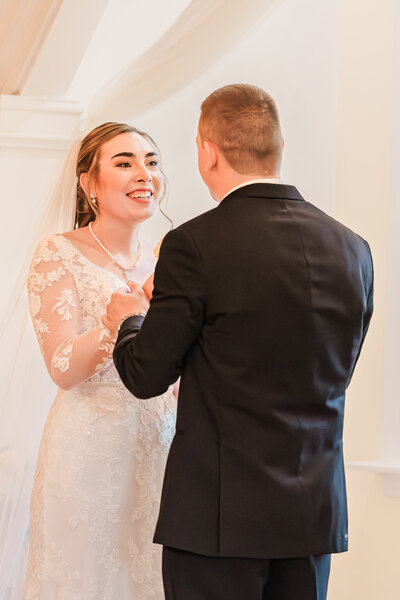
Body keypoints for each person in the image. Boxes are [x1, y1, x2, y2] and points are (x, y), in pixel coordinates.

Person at [108, 84, 374, 600]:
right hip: (313, 515)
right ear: (278, 148)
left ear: (208, 152)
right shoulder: (352, 248)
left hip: (219, 521)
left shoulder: (194, 243)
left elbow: (145, 375)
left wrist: (131, 320)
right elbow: (335, 369)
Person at [21, 122, 176, 599]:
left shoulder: (169, 260)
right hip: (88, 448)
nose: (143, 174)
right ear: (88, 183)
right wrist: (119, 321)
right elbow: (63, 366)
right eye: (125, 162)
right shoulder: (59, 253)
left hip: (160, 449)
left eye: (151, 162)